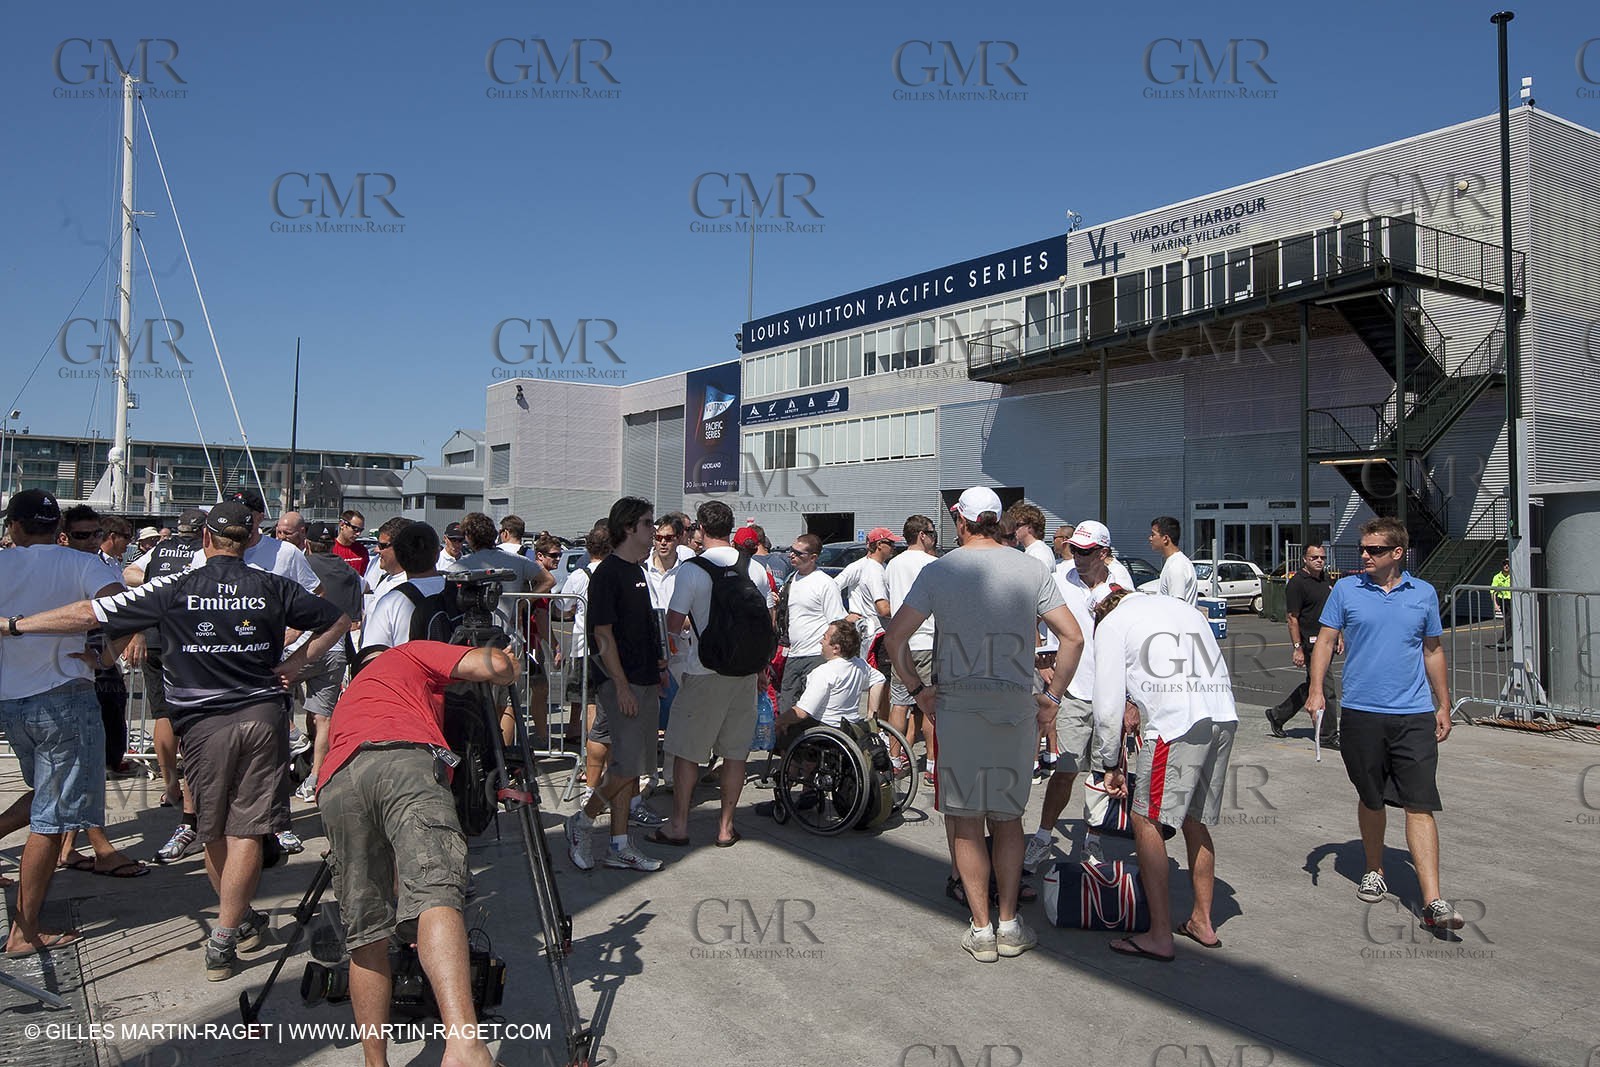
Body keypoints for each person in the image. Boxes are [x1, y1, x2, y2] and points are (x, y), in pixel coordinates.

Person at [3, 501, 352, 978]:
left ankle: (230, 925)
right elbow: (338, 618)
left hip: (204, 726)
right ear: (252, 539)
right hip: (262, 715)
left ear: (205, 538)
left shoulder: (175, 585)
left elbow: (91, 613)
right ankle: (229, 931)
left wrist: (16, 625)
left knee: (212, 828)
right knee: (248, 830)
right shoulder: (272, 584)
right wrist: (294, 663)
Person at [883, 486, 1082, 963]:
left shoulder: (940, 570)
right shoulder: (1030, 568)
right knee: (1008, 818)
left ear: (961, 521)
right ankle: (1009, 922)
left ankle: (981, 928)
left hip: (959, 703)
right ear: (998, 521)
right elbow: (1073, 637)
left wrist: (918, 690)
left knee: (967, 819)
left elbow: (895, 638)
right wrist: (1052, 698)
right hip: (1014, 703)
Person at [315, 640, 514, 1067]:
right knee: (434, 891)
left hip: (337, 780)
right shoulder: (406, 654)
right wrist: (509, 663)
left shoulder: (350, 697)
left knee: (366, 931)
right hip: (403, 757)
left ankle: (375, 1063)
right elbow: (493, 664)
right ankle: (464, 1045)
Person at [1306, 517, 1463, 931]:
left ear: (1397, 553)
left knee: (1420, 801)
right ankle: (1374, 869)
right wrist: (1316, 690)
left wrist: (1443, 704)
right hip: (1362, 713)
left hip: (1413, 714)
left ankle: (1433, 901)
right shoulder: (1346, 590)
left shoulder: (1423, 593)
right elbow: (1325, 640)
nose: (1365, 555)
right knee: (1372, 797)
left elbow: (1432, 650)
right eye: (1363, 548)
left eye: (1374, 549)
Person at [0, 491, 130, 954]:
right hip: (64, 698)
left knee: (45, 795)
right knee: (51, 817)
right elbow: (123, 608)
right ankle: (24, 931)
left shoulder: (3, 561)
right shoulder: (82, 563)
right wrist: (106, 655)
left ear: (14, 526)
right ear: (57, 528)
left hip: (11, 702)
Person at [1091, 586, 1238, 961]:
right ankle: (1202, 922)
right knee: (1194, 819)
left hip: (1176, 725)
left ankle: (1158, 935)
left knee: (1146, 819)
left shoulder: (1112, 624)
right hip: (1222, 714)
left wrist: (1109, 763)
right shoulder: (1179, 608)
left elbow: (1106, 706)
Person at [660, 500, 775, 848]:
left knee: (687, 752)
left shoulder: (692, 570)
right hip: (745, 673)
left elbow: (673, 623)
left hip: (703, 670)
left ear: (700, 528)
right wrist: (761, 667)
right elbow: (766, 622)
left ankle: (678, 825)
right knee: (735, 754)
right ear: (731, 528)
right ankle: (726, 828)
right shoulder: (754, 568)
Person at [564, 497, 665, 873]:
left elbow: (638, 628)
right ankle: (582, 821)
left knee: (631, 768)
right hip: (622, 684)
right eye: (648, 523)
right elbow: (602, 635)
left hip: (644, 679)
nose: (654, 530)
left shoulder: (636, 571)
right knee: (625, 767)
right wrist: (621, 686)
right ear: (628, 528)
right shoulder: (609, 573)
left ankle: (619, 845)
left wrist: (657, 666)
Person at [1024, 519, 1119, 875]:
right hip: (1074, 691)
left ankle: (1093, 839)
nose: (1077, 556)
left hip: (1110, 693)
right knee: (1065, 771)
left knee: (1104, 772)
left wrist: (1129, 699)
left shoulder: (1120, 582)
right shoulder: (1059, 577)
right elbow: (1031, 616)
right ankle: (1043, 836)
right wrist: (1040, 659)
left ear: (1103, 553)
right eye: (1074, 549)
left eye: (1085, 551)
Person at [123, 507, 207, 816]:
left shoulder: (160, 549)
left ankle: (170, 786)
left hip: (156, 636)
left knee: (162, 714)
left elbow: (129, 574)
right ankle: (193, 788)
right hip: (190, 639)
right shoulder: (204, 552)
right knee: (195, 713)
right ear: (204, 531)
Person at [293, 522, 366, 800]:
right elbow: (362, 596)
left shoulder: (302, 564)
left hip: (302, 647)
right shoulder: (349, 571)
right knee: (323, 718)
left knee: (276, 693)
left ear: (308, 544)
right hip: (336, 648)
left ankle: (293, 738)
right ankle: (315, 778)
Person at [1266, 543, 1342, 748]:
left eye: (1322, 558)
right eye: (1314, 557)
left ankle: (1278, 715)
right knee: (1326, 688)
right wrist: (1298, 647)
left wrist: (1339, 636)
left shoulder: (1326, 579)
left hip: (1328, 639)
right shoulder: (1297, 583)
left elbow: (1333, 612)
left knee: (1312, 686)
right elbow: (1292, 618)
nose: (1319, 561)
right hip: (1311, 644)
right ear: (1304, 560)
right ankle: (1327, 735)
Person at [884, 514, 938, 778]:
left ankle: (894, 759)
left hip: (901, 642)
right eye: (932, 533)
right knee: (931, 704)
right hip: (927, 640)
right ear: (922, 535)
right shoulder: (933, 564)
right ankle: (932, 763)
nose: (934, 538)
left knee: (900, 703)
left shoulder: (893, 565)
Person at [779, 532, 845, 716]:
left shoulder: (825, 583)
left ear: (813, 557)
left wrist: (833, 656)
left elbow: (837, 622)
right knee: (786, 708)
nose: (792, 555)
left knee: (810, 711)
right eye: (791, 550)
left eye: (798, 553)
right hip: (794, 654)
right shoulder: (792, 579)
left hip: (816, 656)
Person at [777, 618, 883, 732]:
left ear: (836, 648)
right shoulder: (860, 665)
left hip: (824, 729)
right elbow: (879, 679)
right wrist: (871, 714)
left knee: (785, 729)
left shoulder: (824, 672)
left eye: (824, 638)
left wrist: (778, 721)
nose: (821, 641)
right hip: (850, 729)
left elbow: (802, 712)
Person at [361, 523, 444, 650]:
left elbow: (372, 655)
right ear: (437, 554)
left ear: (399, 555)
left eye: (382, 546)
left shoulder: (391, 602)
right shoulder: (457, 594)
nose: (377, 550)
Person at [1150, 515, 1197, 606]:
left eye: (1153, 535)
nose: (1150, 538)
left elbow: (1177, 605)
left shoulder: (1177, 566)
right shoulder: (1173, 562)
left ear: (1165, 539)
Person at [333, 509, 369, 576]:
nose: (358, 533)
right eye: (355, 529)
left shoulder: (362, 551)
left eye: (361, 530)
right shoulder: (330, 550)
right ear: (342, 525)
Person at [1491, 559, 1511, 650]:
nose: (1506, 566)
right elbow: (1493, 592)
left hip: (1512, 600)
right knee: (1508, 620)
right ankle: (1502, 641)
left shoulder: (1513, 576)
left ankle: (1502, 641)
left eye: (1508, 564)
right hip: (1503, 600)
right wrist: (1495, 604)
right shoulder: (1497, 577)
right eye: (1504, 564)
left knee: (1509, 620)